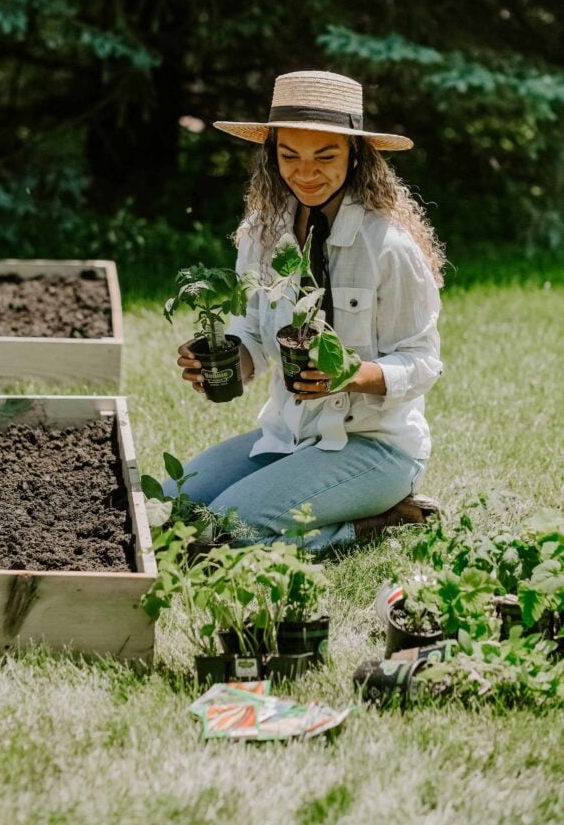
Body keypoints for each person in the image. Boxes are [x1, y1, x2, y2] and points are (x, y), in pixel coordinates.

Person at [169, 70, 444, 550]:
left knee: (222, 534)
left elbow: (423, 362)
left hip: (374, 445)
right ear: (271, 155)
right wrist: (225, 361)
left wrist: (352, 374)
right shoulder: (263, 232)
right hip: (289, 436)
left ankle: (374, 522)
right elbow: (253, 330)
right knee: (174, 506)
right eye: (289, 155)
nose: (305, 171)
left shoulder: (388, 246)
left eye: (325, 155)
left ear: (356, 155)